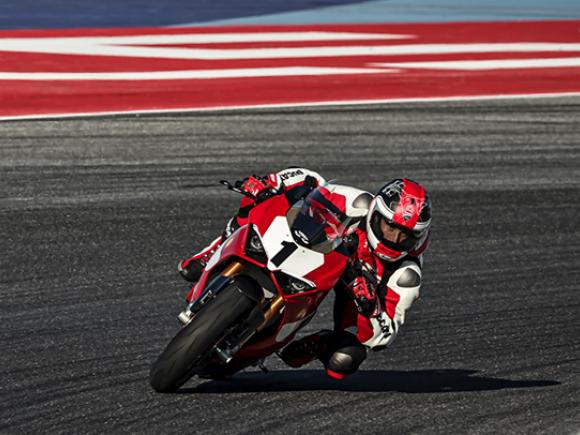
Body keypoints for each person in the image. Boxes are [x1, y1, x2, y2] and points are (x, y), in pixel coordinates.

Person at [178, 169, 432, 380]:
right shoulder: (357, 203)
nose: (395, 238)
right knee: (256, 201)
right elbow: (311, 180)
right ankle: (210, 252)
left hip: (353, 292)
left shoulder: (406, 274)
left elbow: (384, 336)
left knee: (345, 359)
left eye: (406, 235)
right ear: (376, 213)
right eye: (390, 227)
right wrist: (270, 182)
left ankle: (319, 344)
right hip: (322, 252)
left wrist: (370, 306)